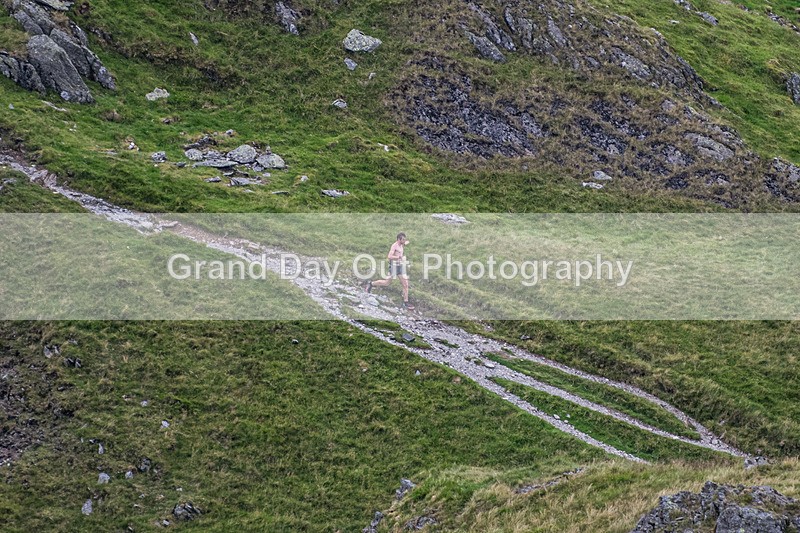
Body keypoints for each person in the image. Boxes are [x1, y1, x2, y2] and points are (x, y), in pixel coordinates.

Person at [365, 232, 414, 310]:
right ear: (398, 239)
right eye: (403, 240)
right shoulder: (394, 246)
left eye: (405, 240)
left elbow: (405, 243)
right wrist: (399, 257)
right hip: (394, 267)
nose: (404, 241)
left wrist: (407, 242)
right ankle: (371, 284)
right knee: (386, 283)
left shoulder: (402, 244)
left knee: (405, 284)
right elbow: (389, 256)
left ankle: (406, 302)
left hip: (400, 266)